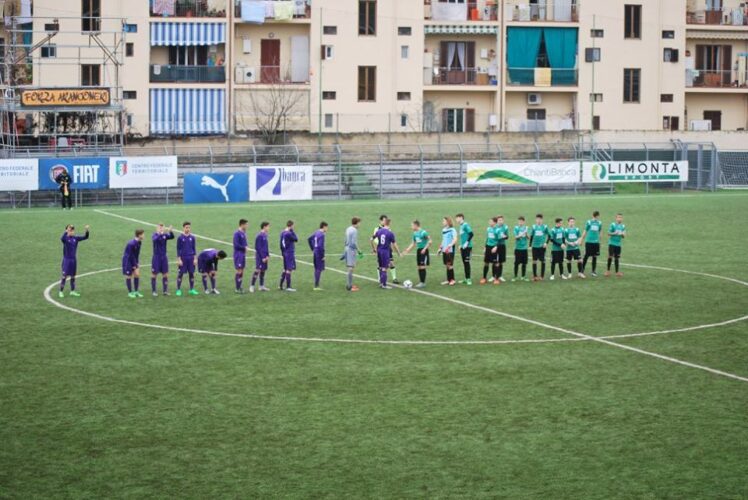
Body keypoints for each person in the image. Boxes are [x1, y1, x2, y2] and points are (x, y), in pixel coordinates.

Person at [59, 224, 90, 297]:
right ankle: (61, 291)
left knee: (73, 276)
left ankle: (72, 291)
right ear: (67, 231)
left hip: (73, 260)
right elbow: (62, 238)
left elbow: (86, 237)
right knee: (64, 276)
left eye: (72, 230)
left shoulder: (75, 238)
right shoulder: (65, 238)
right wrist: (66, 231)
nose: (72, 232)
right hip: (67, 260)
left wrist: (86, 230)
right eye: (70, 230)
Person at [402, 220, 431, 288]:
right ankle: (421, 281)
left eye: (412, 225)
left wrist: (424, 249)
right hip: (419, 250)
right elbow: (413, 243)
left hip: (424, 251)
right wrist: (407, 250)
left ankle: (423, 282)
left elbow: (430, 241)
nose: (411, 227)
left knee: (422, 266)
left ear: (416, 225)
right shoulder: (415, 233)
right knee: (419, 266)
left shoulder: (423, 232)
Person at [373, 218, 401, 290]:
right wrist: (398, 253)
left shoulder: (379, 231)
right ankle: (384, 285)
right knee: (385, 268)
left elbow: (371, 239)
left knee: (381, 267)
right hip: (385, 251)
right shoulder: (390, 233)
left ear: (384, 223)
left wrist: (373, 248)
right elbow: (394, 245)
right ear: (389, 224)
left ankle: (381, 283)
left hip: (379, 250)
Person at [151, 223, 174, 296]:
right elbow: (155, 240)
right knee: (154, 274)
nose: (161, 229)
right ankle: (154, 291)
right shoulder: (154, 235)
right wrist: (160, 233)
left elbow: (172, 237)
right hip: (156, 257)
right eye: (160, 228)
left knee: (165, 274)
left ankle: (165, 291)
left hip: (164, 257)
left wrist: (170, 231)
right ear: (157, 228)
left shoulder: (165, 235)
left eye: (162, 227)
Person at [176, 221, 199, 297]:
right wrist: (179, 259)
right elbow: (178, 249)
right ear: (183, 228)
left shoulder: (192, 237)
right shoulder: (180, 238)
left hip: (191, 258)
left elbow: (194, 248)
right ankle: (178, 289)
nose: (188, 229)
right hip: (183, 258)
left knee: (191, 273)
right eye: (186, 227)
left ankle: (191, 289)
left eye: (189, 227)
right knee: (180, 274)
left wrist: (195, 258)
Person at [122, 229, 145, 298]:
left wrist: (137, 262)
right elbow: (130, 255)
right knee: (129, 276)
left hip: (134, 259)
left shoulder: (139, 242)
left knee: (137, 274)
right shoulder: (131, 243)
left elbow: (136, 254)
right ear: (139, 235)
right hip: (128, 260)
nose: (144, 235)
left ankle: (136, 292)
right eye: (143, 234)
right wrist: (134, 264)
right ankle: (130, 292)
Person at [250, 222, 271, 293]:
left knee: (263, 270)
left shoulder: (265, 235)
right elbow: (258, 248)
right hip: (260, 257)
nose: (269, 228)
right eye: (268, 226)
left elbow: (266, 247)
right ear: (264, 227)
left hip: (265, 256)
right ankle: (252, 286)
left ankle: (261, 286)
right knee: (257, 270)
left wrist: (267, 255)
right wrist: (262, 257)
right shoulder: (259, 236)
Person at [342, 217, 362, 292]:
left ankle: (350, 284)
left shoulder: (348, 228)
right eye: (359, 223)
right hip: (351, 250)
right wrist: (359, 250)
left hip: (347, 248)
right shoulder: (354, 230)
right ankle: (349, 287)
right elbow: (353, 243)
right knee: (351, 268)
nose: (360, 224)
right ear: (356, 223)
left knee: (350, 267)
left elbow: (345, 240)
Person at [581, 210, 603, 277]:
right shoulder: (589, 222)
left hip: (596, 242)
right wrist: (582, 239)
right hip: (589, 242)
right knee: (586, 256)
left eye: (597, 216)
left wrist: (600, 241)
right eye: (596, 216)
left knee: (594, 256)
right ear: (595, 216)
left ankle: (593, 271)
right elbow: (585, 230)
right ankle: (582, 270)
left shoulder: (599, 223)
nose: (596, 218)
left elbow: (600, 231)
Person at [279, 220, 299, 292]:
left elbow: (280, 244)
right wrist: (292, 231)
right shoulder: (289, 233)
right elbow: (296, 239)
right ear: (291, 225)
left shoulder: (282, 232)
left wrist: (282, 253)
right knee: (289, 269)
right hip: (289, 252)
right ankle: (288, 287)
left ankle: (280, 285)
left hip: (284, 252)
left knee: (285, 269)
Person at [308, 222, 328, 291]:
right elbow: (320, 246)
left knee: (316, 268)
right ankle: (316, 286)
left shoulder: (316, 232)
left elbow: (309, 239)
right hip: (319, 254)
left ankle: (316, 284)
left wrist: (313, 248)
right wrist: (323, 255)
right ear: (324, 227)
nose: (327, 229)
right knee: (319, 269)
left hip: (315, 252)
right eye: (327, 227)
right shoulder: (322, 235)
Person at [438, 216, 457, 286]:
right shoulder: (443, 230)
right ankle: (448, 280)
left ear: (448, 222)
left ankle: (452, 280)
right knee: (447, 265)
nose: (442, 222)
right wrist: (440, 248)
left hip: (450, 250)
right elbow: (443, 240)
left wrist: (450, 245)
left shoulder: (452, 230)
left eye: (443, 221)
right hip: (444, 250)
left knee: (450, 265)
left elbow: (455, 239)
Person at [455, 213, 474, 285]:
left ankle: (469, 279)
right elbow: (463, 237)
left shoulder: (465, 225)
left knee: (466, 262)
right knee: (464, 263)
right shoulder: (461, 226)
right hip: (463, 247)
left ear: (461, 218)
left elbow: (471, 234)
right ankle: (466, 279)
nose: (456, 219)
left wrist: (467, 243)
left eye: (457, 218)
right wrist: (461, 245)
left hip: (468, 247)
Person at [606, 213, 627, 277]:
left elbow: (624, 235)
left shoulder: (623, 226)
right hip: (612, 243)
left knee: (617, 258)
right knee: (610, 256)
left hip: (618, 244)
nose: (619, 218)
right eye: (618, 217)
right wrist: (614, 233)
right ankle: (608, 271)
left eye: (621, 217)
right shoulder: (613, 225)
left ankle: (617, 272)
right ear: (616, 218)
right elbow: (608, 233)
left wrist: (623, 234)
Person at [233, 219, 251, 294]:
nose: (247, 226)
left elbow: (244, 243)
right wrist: (244, 248)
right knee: (239, 270)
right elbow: (236, 245)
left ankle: (239, 286)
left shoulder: (243, 233)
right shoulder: (237, 233)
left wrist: (246, 246)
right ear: (242, 224)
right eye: (246, 224)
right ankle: (237, 288)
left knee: (242, 270)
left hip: (243, 254)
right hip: (238, 254)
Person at [530, 214, 549, 281]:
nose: (538, 220)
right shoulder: (533, 227)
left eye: (540, 219)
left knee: (543, 261)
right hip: (534, 246)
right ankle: (535, 276)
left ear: (542, 220)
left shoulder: (545, 227)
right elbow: (531, 236)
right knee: (534, 261)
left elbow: (549, 236)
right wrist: (530, 245)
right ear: (536, 220)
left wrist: (546, 243)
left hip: (542, 247)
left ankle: (542, 276)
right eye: (537, 219)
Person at [480, 217, 499, 285]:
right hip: (488, 247)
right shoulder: (488, 229)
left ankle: (496, 278)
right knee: (486, 262)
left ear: (494, 222)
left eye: (491, 221)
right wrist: (485, 247)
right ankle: (484, 278)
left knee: (495, 263)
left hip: (494, 247)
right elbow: (487, 238)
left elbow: (500, 240)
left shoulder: (497, 230)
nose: (489, 222)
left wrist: (496, 247)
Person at [512, 216, 530, 282]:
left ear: (524, 222)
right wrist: (522, 234)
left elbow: (529, 238)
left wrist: (526, 233)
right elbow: (516, 237)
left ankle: (523, 276)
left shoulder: (526, 228)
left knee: (524, 263)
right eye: (519, 221)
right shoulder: (516, 228)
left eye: (522, 221)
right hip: (518, 248)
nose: (520, 223)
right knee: (516, 263)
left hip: (524, 249)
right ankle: (515, 276)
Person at [494, 215, 510, 284]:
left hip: (502, 246)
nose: (500, 221)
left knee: (501, 261)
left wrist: (504, 236)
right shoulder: (495, 227)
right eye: (499, 220)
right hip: (495, 246)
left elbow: (507, 237)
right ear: (497, 221)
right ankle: (494, 275)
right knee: (495, 261)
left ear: (503, 221)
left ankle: (500, 276)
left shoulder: (505, 227)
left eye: (501, 220)